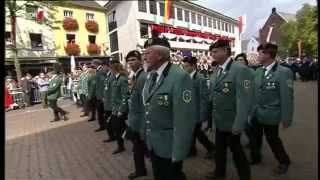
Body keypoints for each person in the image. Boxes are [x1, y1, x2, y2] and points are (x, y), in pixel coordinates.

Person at [142, 34, 197, 180]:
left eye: (147, 53)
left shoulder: (179, 77)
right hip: (155, 144)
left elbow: (185, 119)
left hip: (170, 146)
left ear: (160, 55)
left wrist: (178, 152)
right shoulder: (152, 76)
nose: (144, 57)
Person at [206, 39, 253, 180]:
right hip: (220, 120)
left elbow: (244, 100)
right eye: (211, 52)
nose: (212, 55)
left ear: (226, 51)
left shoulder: (240, 70)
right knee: (220, 150)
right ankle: (219, 172)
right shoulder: (217, 69)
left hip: (232, 121)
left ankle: (245, 176)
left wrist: (239, 124)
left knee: (237, 151)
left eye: (215, 52)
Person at [249, 43, 293, 175]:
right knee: (254, 137)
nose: (258, 55)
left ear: (268, 55)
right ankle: (256, 158)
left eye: (260, 53)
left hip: (271, 113)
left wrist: (286, 118)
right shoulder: (258, 71)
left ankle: (284, 161)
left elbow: (287, 98)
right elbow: (254, 93)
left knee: (272, 139)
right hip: (257, 112)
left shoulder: (283, 72)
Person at [181, 56, 216, 159]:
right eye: (184, 66)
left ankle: (211, 148)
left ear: (193, 66)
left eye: (187, 66)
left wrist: (203, 114)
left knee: (196, 132)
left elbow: (204, 98)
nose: (184, 68)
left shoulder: (200, 78)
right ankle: (192, 150)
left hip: (196, 111)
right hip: (188, 110)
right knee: (192, 131)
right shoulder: (186, 77)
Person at [126, 50, 148, 179]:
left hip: (140, 121)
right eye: (129, 61)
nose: (131, 63)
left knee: (139, 149)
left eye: (134, 60)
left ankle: (140, 170)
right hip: (135, 119)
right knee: (138, 148)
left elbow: (145, 104)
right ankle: (140, 169)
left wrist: (142, 126)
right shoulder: (136, 76)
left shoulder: (143, 77)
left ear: (140, 61)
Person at [109, 58, 129, 154]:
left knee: (119, 128)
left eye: (111, 67)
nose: (110, 70)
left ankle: (121, 146)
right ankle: (121, 144)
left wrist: (121, 110)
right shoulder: (115, 79)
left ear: (114, 68)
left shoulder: (122, 79)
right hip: (115, 109)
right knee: (117, 127)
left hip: (120, 109)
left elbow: (125, 96)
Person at [102, 60, 116, 143]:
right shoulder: (108, 75)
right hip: (107, 103)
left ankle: (112, 136)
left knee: (110, 122)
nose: (102, 68)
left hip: (111, 104)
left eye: (104, 66)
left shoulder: (113, 76)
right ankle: (112, 136)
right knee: (109, 122)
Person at [92, 59, 108, 132]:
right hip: (99, 95)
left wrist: (102, 96)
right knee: (101, 112)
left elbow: (102, 84)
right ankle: (103, 125)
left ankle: (103, 125)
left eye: (93, 64)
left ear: (96, 64)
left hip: (101, 96)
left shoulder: (101, 71)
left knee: (101, 112)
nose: (92, 65)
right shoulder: (99, 70)